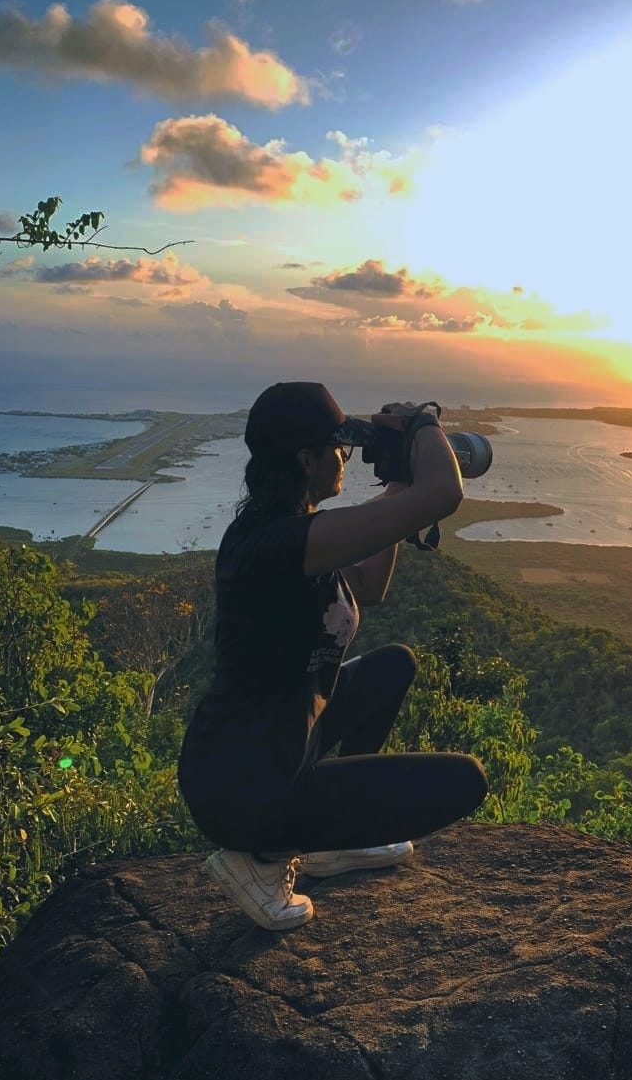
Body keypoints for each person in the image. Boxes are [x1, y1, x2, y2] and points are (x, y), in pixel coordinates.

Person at [177, 382, 489, 931]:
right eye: (339, 448)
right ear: (306, 459)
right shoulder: (274, 544)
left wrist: (397, 485)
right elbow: (445, 494)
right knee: (465, 781)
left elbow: (369, 586)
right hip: (245, 786)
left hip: (279, 746)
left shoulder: (299, 534)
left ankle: (327, 845)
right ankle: (263, 858)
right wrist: (422, 426)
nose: (346, 457)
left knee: (395, 664)